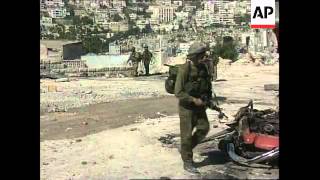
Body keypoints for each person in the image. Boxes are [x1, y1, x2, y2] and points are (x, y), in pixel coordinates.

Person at [174, 42, 218, 174]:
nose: (204, 57)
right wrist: (193, 100)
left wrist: (209, 101)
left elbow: (207, 86)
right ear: (194, 56)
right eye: (201, 55)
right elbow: (178, 92)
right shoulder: (184, 70)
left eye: (204, 54)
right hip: (187, 108)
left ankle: (185, 149)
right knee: (186, 136)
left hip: (200, 106)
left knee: (204, 128)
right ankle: (187, 161)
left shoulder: (203, 68)